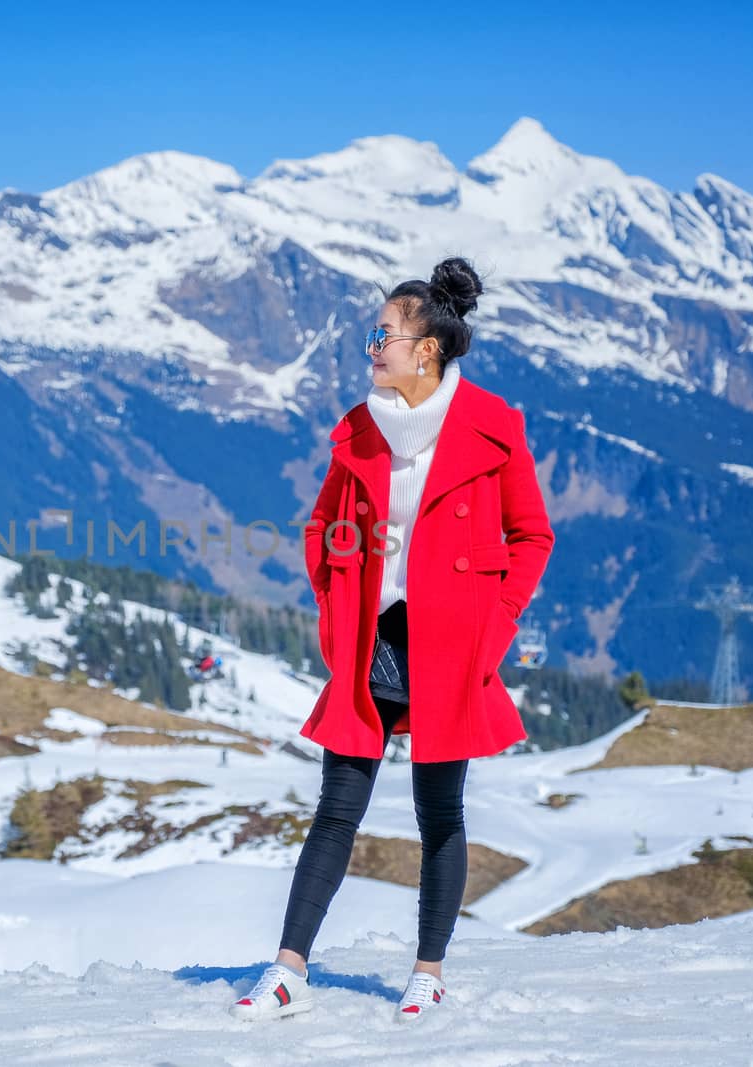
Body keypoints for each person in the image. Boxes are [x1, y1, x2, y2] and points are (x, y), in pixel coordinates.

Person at [230, 256, 556, 1025]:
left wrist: (496, 624)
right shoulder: (359, 429)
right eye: (371, 333)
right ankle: (287, 970)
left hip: (454, 645)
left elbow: (532, 534)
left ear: (428, 348)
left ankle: (428, 971)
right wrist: (337, 608)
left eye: (385, 334)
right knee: (337, 805)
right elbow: (323, 530)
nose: (371, 346)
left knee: (438, 810)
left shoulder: (492, 427)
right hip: (371, 639)